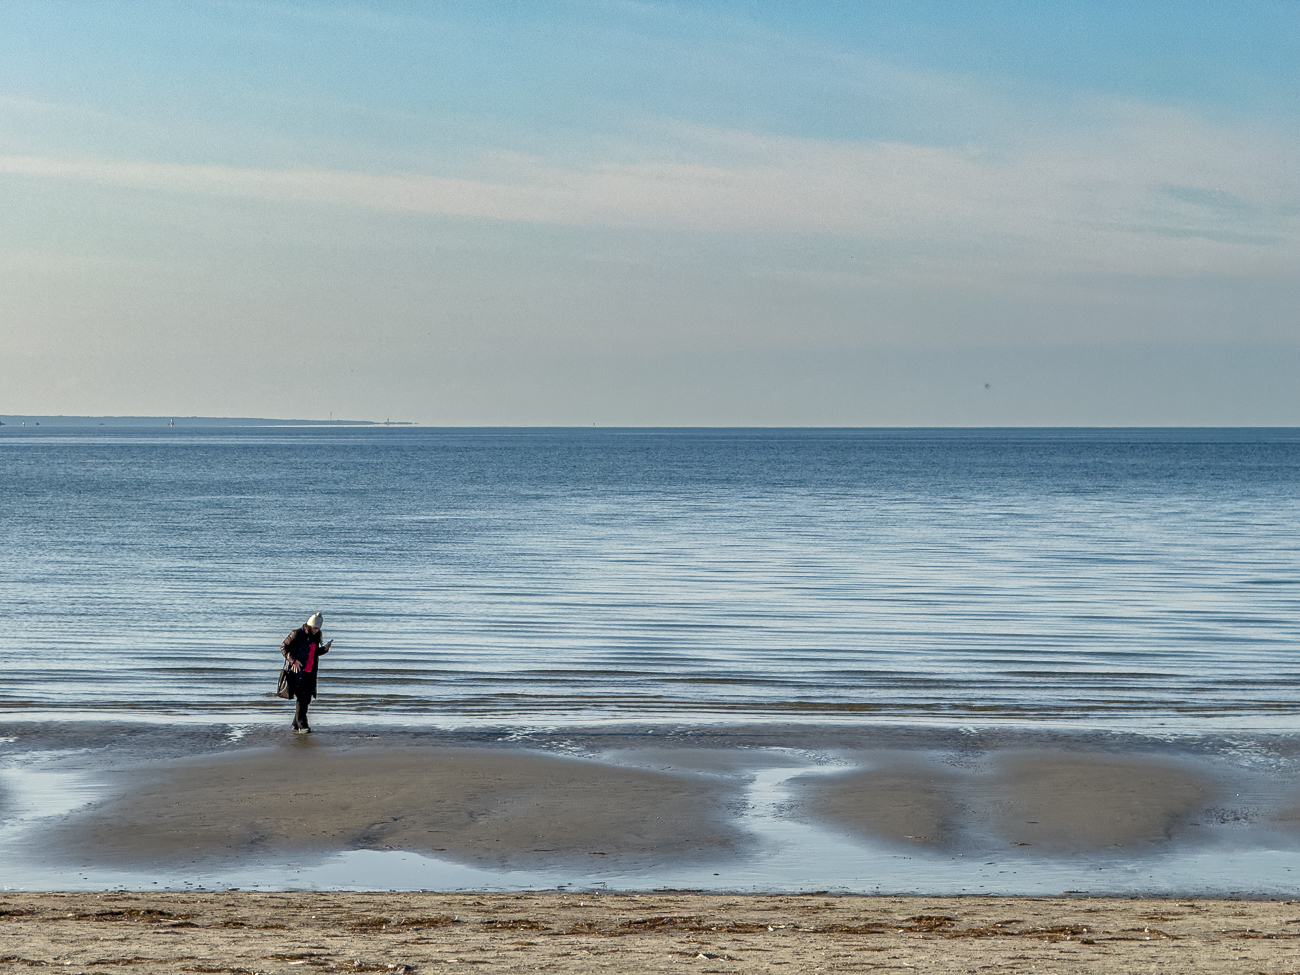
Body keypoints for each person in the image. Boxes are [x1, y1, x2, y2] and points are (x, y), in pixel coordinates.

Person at [281, 612, 332, 732]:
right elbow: (284, 647)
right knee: (302, 698)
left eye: (318, 628)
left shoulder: (316, 636)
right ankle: (302, 725)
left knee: (307, 698)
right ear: (309, 625)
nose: (316, 630)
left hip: (310, 671)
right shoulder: (297, 633)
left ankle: (295, 723)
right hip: (297, 671)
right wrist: (293, 660)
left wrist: (324, 650)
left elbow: (312, 653)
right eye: (315, 627)